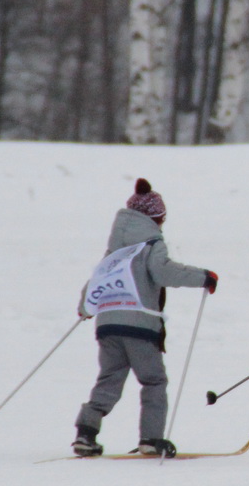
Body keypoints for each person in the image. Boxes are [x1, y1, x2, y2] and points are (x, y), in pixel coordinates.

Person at [73, 178, 217, 457]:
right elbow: (163, 272)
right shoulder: (151, 244)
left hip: (108, 325)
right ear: (155, 218)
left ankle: (85, 435)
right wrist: (203, 277)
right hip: (139, 326)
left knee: (109, 380)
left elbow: (95, 282)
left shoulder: (114, 250)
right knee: (153, 381)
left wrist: (84, 307)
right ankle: (151, 439)